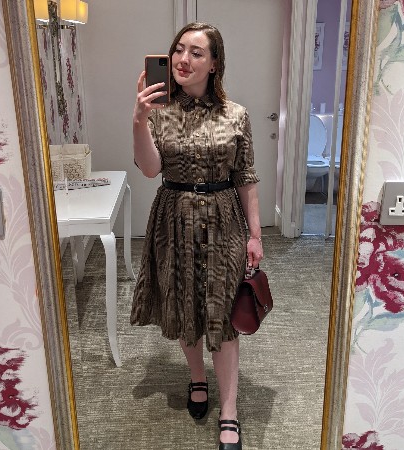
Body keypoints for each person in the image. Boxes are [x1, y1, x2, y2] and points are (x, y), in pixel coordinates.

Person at [130, 22, 263, 450]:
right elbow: (150, 169)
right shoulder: (158, 110)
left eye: (196, 52)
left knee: (222, 314)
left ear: (215, 64)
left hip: (224, 220)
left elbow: (245, 177)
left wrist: (255, 235)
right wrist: (139, 120)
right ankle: (196, 377)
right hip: (173, 219)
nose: (183, 59)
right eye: (179, 50)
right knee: (184, 304)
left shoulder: (236, 115)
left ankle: (230, 410)